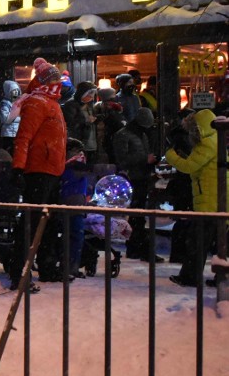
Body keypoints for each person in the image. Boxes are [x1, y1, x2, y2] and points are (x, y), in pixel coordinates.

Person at [9, 58, 67, 291]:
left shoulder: (51, 102)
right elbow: (24, 137)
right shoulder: (38, 102)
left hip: (51, 170)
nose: (57, 82)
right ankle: (20, 272)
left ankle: (46, 266)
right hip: (39, 171)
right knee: (33, 224)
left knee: (47, 223)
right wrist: (18, 168)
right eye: (53, 78)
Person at [165, 109, 224, 287]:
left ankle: (190, 277)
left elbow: (189, 166)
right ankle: (220, 277)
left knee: (198, 242)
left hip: (209, 200)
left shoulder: (207, 144)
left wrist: (171, 155)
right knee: (217, 242)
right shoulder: (214, 140)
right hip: (212, 198)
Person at [113, 107, 160, 262]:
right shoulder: (124, 135)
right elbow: (122, 160)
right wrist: (144, 160)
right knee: (136, 216)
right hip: (133, 178)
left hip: (142, 176)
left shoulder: (141, 134)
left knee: (138, 217)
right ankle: (136, 247)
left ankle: (137, 247)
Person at [60, 138, 90, 278]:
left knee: (73, 236)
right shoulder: (74, 166)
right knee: (75, 236)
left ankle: (71, 266)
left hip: (74, 203)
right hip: (72, 203)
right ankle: (69, 267)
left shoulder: (72, 166)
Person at [62, 81, 98, 164]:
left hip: (90, 140)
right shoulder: (71, 104)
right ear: (82, 93)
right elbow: (70, 122)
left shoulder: (89, 104)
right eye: (89, 94)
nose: (91, 97)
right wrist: (86, 121)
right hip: (78, 140)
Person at [94, 87, 125, 165]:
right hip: (109, 136)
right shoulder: (110, 107)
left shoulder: (99, 106)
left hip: (107, 136)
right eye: (113, 95)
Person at [0, 80, 21, 154]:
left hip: (17, 133)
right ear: (8, 92)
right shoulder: (4, 104)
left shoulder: (18, 103)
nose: (16, 93)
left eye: (17, 91)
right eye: (14, 91)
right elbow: (6, 119)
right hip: (8, 133)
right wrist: (20, 118)